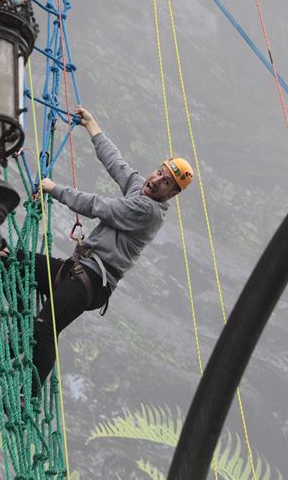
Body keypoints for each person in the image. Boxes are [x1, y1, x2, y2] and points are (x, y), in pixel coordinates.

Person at [18, 106, 194, 396]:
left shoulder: (148, 210)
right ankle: (18, 334)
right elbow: (117, 164)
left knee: (45, 326)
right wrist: (92, 126)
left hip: (90, 281)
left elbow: (99, 207)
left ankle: (28, 395)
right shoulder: (141, 190)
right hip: (77, 269)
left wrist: (54, 189)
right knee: (17, 262)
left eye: (166, 182)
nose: (156, 180)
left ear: (172, 194)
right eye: (160, 172)